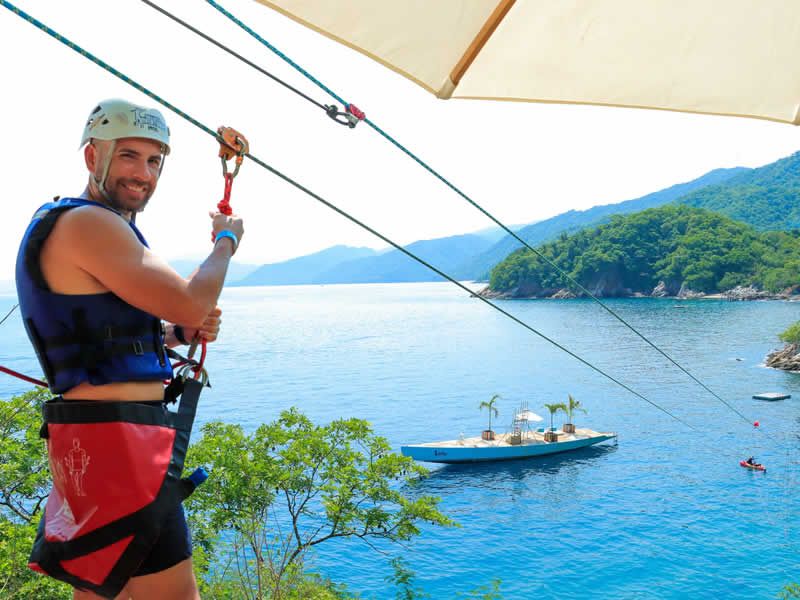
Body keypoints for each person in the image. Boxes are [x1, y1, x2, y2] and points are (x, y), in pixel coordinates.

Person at [15, 98, 245, 599]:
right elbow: (192, 301)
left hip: (89, 444)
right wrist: (225, 241)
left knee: (103, 586)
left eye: (154, 160)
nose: (143, 173)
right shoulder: (89, 223)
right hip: (122, 450)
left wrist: (177, 335)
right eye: (128, 156)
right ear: (92, 156)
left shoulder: (67, 223)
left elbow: (104, 338)